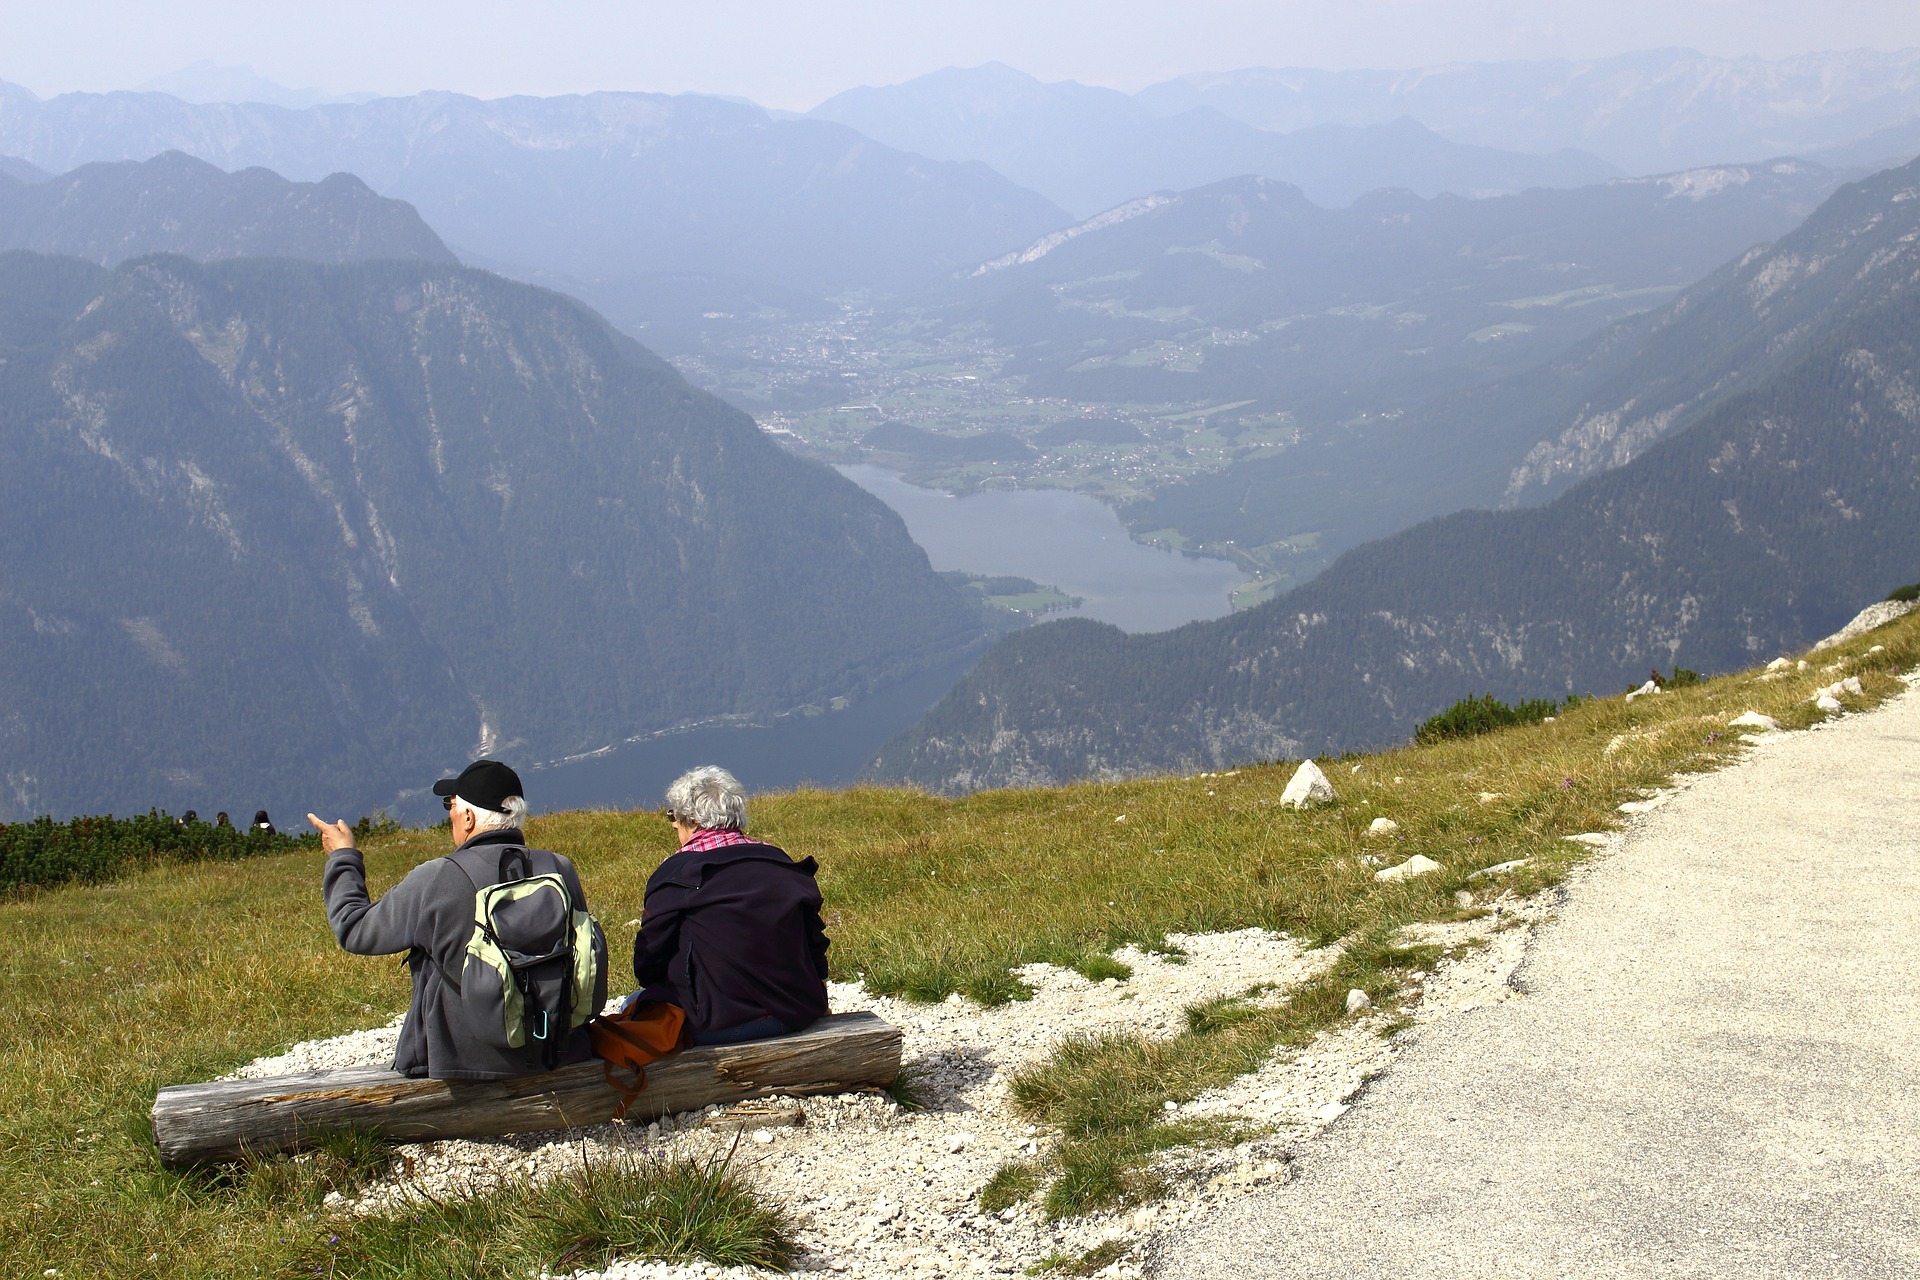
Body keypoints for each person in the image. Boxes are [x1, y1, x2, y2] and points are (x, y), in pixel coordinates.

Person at [308, 758, 606, 1080]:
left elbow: (354, 928)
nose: (449, 813)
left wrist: (343, 856)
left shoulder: (437, 878)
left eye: (449, 805)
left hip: (469, 1064)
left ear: (467, 817)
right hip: (558, 1049)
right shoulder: (560, 868)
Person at [626, 765, 829, 1045]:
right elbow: (814, 943)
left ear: (694, 821)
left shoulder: (676, 875)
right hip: (798, 1013)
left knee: (632, 1003)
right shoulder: (780, 862)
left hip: (718, 1024)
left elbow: (648, 962)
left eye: (674, 815)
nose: (673, 823)